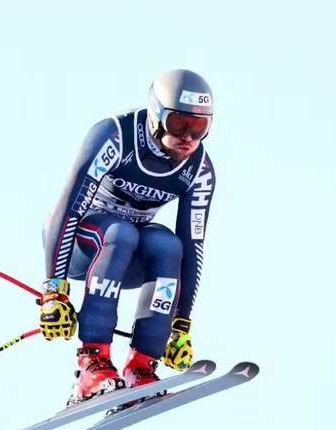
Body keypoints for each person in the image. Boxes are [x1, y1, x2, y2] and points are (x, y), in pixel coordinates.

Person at [39, 69, 217, 404]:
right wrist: (53, 290)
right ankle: (93, 363)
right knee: (121, 233)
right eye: (180, 124)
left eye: (200, 127)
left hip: (129, 252)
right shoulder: (115, 136)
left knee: (168, 244)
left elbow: (193, 247)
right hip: (79, 241)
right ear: (156, 116)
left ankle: (141, 366)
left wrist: (181, 324)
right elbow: (68, 208)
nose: (188, 138)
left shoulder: (199, 170)